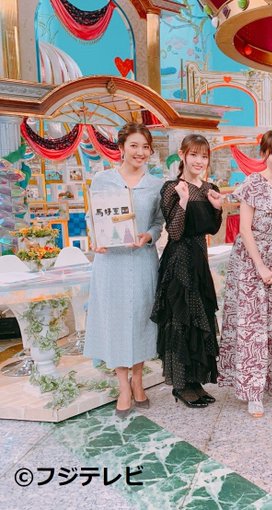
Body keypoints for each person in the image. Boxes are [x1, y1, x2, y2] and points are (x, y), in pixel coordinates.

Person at [218, 130, 272, 418]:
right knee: (252, 326)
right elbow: (244, 229)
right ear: (264, 154)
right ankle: (252, 391)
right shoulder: (253, 183)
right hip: (249, 261)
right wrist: (261, 267)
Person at [84, 122, 164, 418]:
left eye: (145, 147)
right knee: (116, 321)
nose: (140, 152)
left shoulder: (156, 185)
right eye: (134, 146)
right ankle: (123, 387)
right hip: (111, 264)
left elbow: (158, 223)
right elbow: (92, 216)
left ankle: (138, 380)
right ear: (121, 148)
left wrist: (149, 236)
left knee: (141, 319)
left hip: (142, 260)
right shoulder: (102, 180)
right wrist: (96, 238)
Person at [151, 134, 223, 408]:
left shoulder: (209, 188)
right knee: (181, 320)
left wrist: (217, 209)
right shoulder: (172, 188)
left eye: (204, 156)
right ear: (182, 155)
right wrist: (182, 201)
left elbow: (211, 229)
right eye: (194, 154)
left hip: (199, 261)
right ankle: (181, 385)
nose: (199, 161)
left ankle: (195, 382)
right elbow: (175, 232)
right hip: (178, 262)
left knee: (199, 318)